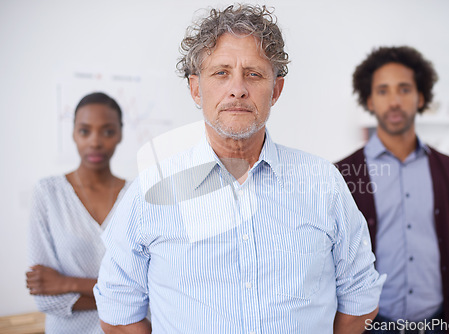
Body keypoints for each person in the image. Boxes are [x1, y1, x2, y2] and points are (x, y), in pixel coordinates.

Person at [94, 4, 385, 334]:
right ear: (195, 88)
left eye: (254, 73)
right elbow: (118, 314)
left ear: (276, 90)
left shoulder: (322, 183)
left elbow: (360, 297)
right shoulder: (150, 191)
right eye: (221, 73)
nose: (237, 89)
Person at [336, 46, 449, 333]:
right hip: (373, 326)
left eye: (404, 89)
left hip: (442, 323)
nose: (394, 101)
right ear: (369, 100)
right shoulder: (342, 174)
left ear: (421, 97)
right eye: (383, 91)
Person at [26, 92, 129, 333]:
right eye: (85, 131)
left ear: (120, 134)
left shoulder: (137, 195)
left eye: (107, 131)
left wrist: (66, 283)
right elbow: (44, 296)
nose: (95, 141)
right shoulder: (48, 194)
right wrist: (122, 298)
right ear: (73, 133)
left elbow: (149, 288)